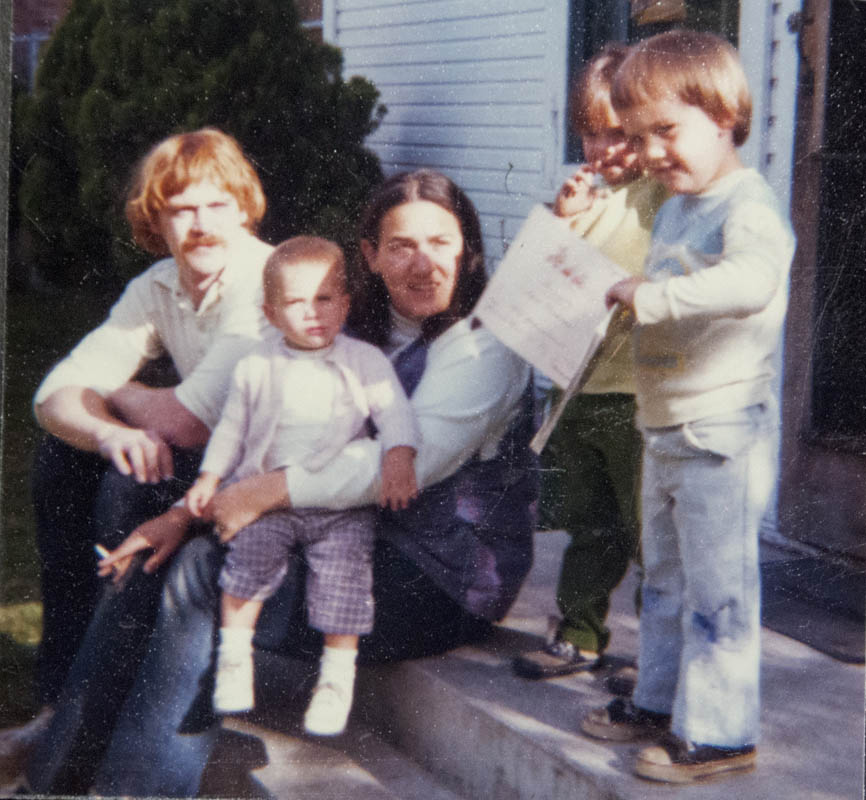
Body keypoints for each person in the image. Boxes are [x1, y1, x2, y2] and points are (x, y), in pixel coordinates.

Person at [26, 169, 538, 796]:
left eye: (442, 242)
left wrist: (259, 495)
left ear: (469, 249)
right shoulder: (348, 332)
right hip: (342, 538)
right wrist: (182, 515)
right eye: (402, 246)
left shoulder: (486, 348)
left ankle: (136, 788)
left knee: (204, 570)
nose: (424, 264)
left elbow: (399, 466)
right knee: (155, 544)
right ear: (370, 257)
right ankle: (56, 776)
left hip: (437, 578)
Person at [0, 127, 275, 783]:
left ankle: (99, 710)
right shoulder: (158, 286)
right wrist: (110, 431)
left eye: (216, 206)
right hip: (202, 466)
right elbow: (51, 397)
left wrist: (115, 392)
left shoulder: (267, 282)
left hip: (262, 483)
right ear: (156, 220)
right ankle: (62, 697)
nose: (201, 226)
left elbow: (184, 420)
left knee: (129, 478)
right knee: (69, 459)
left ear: (243, 208)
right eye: (181, 209)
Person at [579, 30, 795, 784]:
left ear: (725, 113)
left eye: (666, 131)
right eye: (638, 139)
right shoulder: (675, 208)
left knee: (718, 588)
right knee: (664, 576)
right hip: (666, 425)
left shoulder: (749, 205)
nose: (650, 153)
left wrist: (654, 297)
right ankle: (662, 698)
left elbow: (751, 284)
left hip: (722, 433)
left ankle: (722, 731)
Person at [183, 235, 418, 734]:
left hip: (339, 504)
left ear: (346, 303)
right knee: (248, 561)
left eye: (325, 298)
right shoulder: (256, 366)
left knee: (344, 577)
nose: (313, 312)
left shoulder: (364, 360)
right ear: (270, 313)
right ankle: (233, 658)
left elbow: (395, 411)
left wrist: (399, 456)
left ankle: (335, 681)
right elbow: (231, 428)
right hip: (268, 500)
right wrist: (210, 475)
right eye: (296, 302)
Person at [512, 43, 666, 681]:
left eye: (620, 135)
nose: (605, 151)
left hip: (636, 392)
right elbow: (540, 279)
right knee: (590, 524)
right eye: (591, 134)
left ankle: (660, 654)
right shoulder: (581, 199)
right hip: (577, 390)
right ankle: (580, 632)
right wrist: (562, 221)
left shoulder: (661, 196)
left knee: (649, 532)